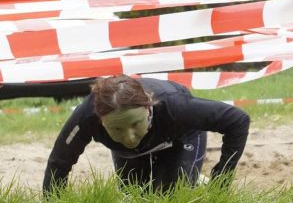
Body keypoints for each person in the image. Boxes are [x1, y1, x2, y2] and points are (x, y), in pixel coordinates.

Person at [43, 75, 250, 194]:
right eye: (117, 129)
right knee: (134, 199)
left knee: (169, 197)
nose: (129, 137)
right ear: (100, 121)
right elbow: (59, 163)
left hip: (179, 139)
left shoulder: (175, 106)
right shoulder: (85, 118)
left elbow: (238, 120)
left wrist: (220, 181)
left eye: (135, 124)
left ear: (149, 110)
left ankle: (194, 180)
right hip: (131, 154)